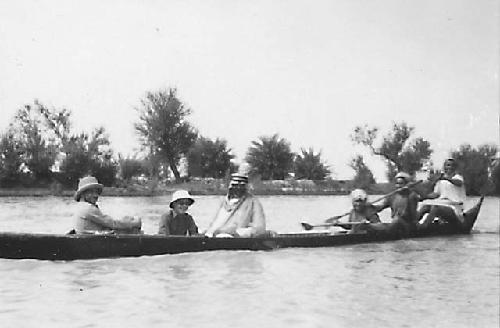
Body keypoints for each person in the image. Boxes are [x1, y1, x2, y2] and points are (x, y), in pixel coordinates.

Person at [204, 167, 266, 237]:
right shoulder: (221, 202)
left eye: (241, 185)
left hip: (237, 239)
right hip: (214, 238)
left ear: (246, 187)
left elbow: (259, 228)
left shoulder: (253, 202)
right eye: (234, 185)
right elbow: (211, 226)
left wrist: (237, 234)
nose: (237, 188)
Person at [73, 176, 142, 234]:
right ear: (82, 194)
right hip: (92, 243)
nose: (95, 195)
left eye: (97, 192)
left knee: (126, 224)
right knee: (133, 230)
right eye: (91, 192)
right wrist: (135, 223)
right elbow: (113, 224)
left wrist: (127, 221)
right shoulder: (88, 208)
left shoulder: (80, 207)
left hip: (89, 241)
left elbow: (108, 224)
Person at [418, 158, 467, 229]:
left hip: (455, 207)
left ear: (454, 167)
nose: (449, 167)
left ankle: (423, 227)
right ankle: (413, 223)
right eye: (447, 165)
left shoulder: (457, 177)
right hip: (442, 204)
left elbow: (459, 183)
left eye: (451, 165)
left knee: (435, 207)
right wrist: (424, 197)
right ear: (444, 167)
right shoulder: (440, 181)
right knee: (426, 206)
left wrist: (445, 178)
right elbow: (436, 194)